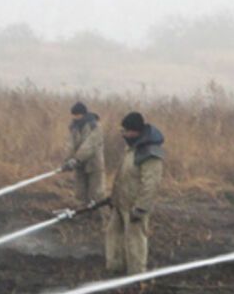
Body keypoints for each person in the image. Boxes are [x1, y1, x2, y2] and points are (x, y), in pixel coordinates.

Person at [106, 112, 165, 275]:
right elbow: (123, 176)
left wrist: (141, 207)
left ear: (135, 131)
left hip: (135, 205)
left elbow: (151, 184)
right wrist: (114, 198)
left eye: (125, 131)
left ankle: (136, 275)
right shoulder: (131, 149)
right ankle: (115, 269)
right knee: (113, 235)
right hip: (121, 203)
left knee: (135, 241)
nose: (123, 135)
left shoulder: (150, 154)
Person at [60, 102, 107, 207]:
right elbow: (70, 144)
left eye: (77, 115)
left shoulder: (94, 126)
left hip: (94, 164)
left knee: (96, 193)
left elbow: (90, 145)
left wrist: (77, 159)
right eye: (73, 115)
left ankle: (98, 214)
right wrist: (67, 160)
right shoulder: (74, 127)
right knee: (80, 194)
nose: (75, 117)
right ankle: (82, 212)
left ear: (83, 114)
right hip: (79, 166)